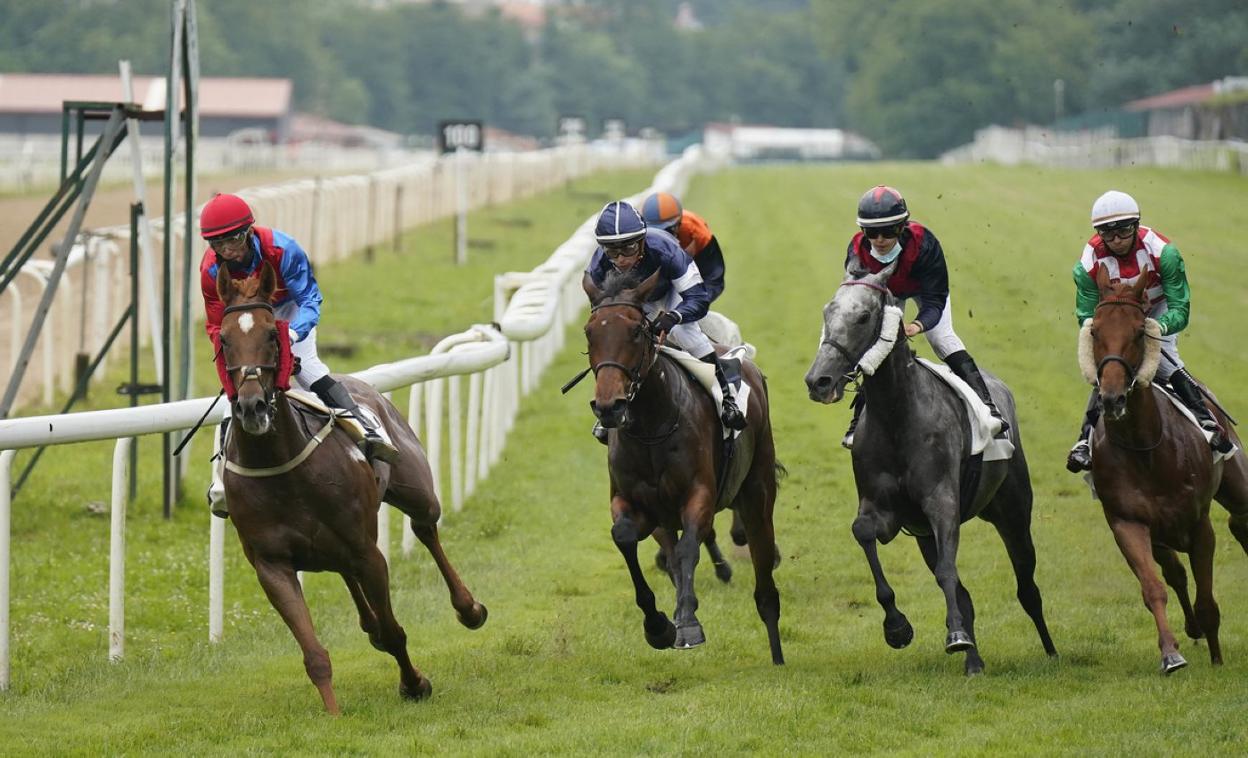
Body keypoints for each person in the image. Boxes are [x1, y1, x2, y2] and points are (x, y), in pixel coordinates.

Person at [199, 193, 399, 518]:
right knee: (238, 391)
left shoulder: (282, 249)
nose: (227, 250)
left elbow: (310, 299)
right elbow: (214, 321)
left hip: (288, 311)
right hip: (242, 321)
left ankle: (366, 427)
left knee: (309, 372)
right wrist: (234, 349)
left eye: (233, 239)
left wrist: (290, 335)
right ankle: (222, 478)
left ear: (248, 231)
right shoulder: (210, 269)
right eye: (217, 243)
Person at [1065, 190, 1232, 472]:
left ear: (1136, 225)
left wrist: (1158, 326)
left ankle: (1206, 422)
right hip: (1116, 317)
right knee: (1109, 364)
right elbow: (1086, 313)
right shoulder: (1087, 263)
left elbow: (1180, 307)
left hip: (1158, 311)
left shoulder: (1164, 252)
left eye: (1123, 230)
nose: (1116, 240)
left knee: (1163, 356)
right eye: (1108, 234)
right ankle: (1084, 440)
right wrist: (1106, 333)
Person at [841, 185, 1007, 449]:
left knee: (941, 338)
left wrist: (918, 324)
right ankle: (856, 422)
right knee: (875, 349)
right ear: (863, 231)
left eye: (889, 231)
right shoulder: (857, 251)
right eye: (872, 232)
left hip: (924, 290)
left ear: (903, 227)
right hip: (885, 293)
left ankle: (989, 409)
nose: (880, 239)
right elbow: (858, 296)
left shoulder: (924, 244)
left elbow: (935, 298)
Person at [585, 200, 746, 443]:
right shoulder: (598, 263)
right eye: (612, 251)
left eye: (627, 249)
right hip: (635, 299)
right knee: (618, 345)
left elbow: (698, 298)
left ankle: (727, 398)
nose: (620, 259)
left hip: (672, 290)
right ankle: (609, 408)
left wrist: (673, 317)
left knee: (685, 334)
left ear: (641, 240)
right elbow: (601, 312)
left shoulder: (666, 249)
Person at [640, 191, 727, 303]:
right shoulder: (639, 235)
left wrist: (695, 304)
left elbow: (713, 279)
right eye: (654, 231)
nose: (660, 237)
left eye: (665, 231)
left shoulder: (696, 233)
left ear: (678, 225)